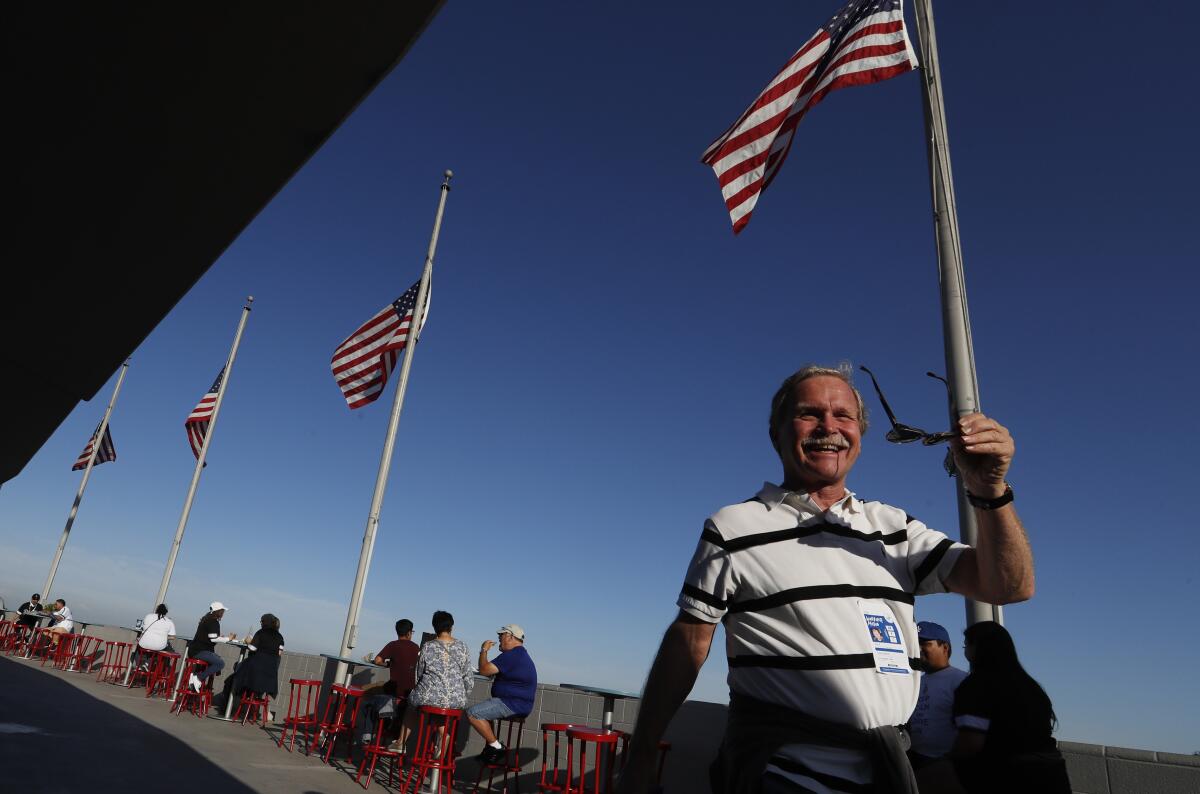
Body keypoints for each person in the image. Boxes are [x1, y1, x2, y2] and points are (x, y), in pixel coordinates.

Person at [615, 364, 1036, 794]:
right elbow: (689, 642)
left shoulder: (895, 528)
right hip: (780, 776)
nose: (828, 427)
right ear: (776, 433)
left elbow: (1009, 586)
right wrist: (642, 753)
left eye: (843, 416)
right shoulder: (733, 528)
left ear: (859, 435)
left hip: (886, 775)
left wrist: (989, 488)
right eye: (809, 414)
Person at [917, 621, 1070, 793]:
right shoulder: (1031, 686)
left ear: (977, 648)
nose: (965, 651)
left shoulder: (976, 685)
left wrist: (944, 761)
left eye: (966, 645)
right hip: (1053, 774)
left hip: (1011, 776)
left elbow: (970, 744)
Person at [393, 610, 472, 751]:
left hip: (430, 695)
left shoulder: (428, 646)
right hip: (457, 699)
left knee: (413, 704)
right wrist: (463, 696)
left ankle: (400, 742)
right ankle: (443, 735)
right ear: (451, 627)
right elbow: (468, 678)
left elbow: (419, 674)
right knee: (442, 706)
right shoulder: (463, 647)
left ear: (435, 627)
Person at [469, 623, 538, 763]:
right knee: (485, 713)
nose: (499, 638)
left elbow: (484, 670)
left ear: (510, 636)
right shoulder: (519, 654)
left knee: (473, 713)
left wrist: (484, 650)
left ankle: (496, 747)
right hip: (516, 703)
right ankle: (491, 748)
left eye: (501, 635)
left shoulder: (513, 655)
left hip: (514, 704)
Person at [907, 621, 969, 768]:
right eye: (916, 644)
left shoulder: (961, 680)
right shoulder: (914, 682)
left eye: (925, 643)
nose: (919, 649)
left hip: (945, 766)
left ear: (945, 647)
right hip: (914, 761)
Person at [354, 618, 421, 748]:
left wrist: (388, 664)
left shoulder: (393, 645)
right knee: (379, 693)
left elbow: (378, 660)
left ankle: (368, 733)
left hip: (394, 691)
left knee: (366, 697)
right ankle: (386, 727)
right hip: (410, 694)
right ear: (409, 633)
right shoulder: (416, 647)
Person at [216, 614, 284, 712]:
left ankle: (226, 709)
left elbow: (252, 648)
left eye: (261, 621)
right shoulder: (280, 637)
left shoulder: (261, 633)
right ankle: (247, 705)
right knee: (239, 670)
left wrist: (249, 642)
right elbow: (279, 653)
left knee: (231, 680)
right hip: (269, 678)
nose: (260, 623)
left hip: (254, 673)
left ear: (265, 622)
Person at [187, 601, 237, 692]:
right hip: (200, 651)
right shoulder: (213, 621)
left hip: (194, 649)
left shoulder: (206, 619)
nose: (223, 613)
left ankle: (193, 678)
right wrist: (228, 639)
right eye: (222, 611)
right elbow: (213, 639)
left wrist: (220, 637)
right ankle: (198, 678)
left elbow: (210, 636)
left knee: (216, 659)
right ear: (219, 611)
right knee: (220, 663)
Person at [134, 603, 177, 669]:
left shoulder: (148, 616)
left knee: (140, 646)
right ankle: (153, 666)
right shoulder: (169, 621)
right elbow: (173, 637)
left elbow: (143, 628)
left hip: (144, 644)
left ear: (156, 610)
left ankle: (140, 664)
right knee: (166, 648)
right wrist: (164, 637)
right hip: (159, 647)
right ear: (166, 612)